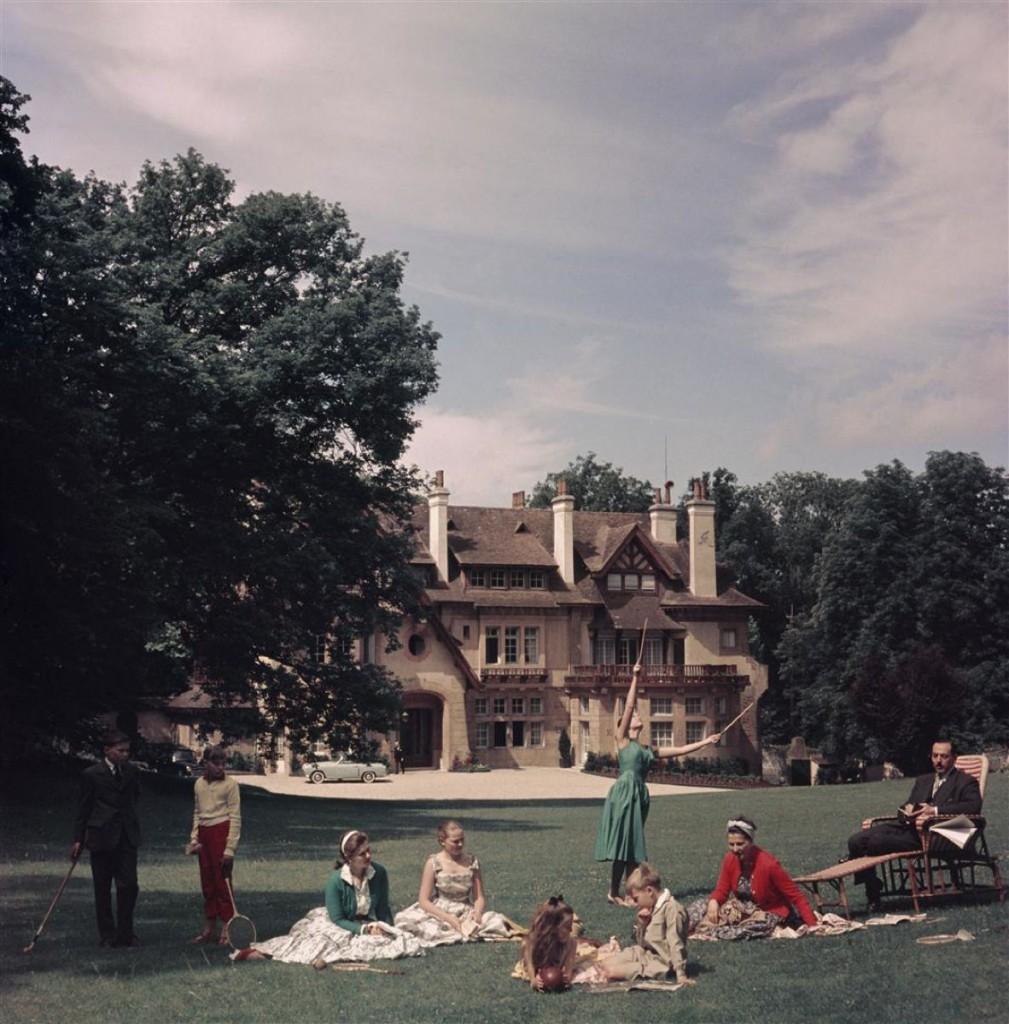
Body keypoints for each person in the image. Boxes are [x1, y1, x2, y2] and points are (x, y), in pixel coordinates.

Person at [594, 665, 720, 903]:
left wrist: (707, 740)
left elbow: (680, 749)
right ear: (627, 723)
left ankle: (630, 893)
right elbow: (630, 705)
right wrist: (634, 677)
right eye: (634, 717)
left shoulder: (647, 750)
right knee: (622, 844)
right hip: (623, 794)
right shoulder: (622, 741)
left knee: (632, 846)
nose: (638, 716)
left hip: (638, 796)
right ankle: (613, 892)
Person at [237, 829, 422, 964]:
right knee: (323, 945)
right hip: (337, 922)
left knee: (393, 943)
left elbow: (382, 908)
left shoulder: (379, 873)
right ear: (348, 858)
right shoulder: (336, 881)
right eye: (362, 853)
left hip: (365, 922)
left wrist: (388, 928)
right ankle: (260, 953)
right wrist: (363, 931)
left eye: (369, 850)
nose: (368, 856)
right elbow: (338, 918)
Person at [845, 739, 982, 908]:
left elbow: (973, 806)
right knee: (856, 841)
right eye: (935, 756)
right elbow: (906, 806)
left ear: (954, 758)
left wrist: (934, 810)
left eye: (944, 756)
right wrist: (908, 812)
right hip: (908, 827)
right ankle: (872, 882)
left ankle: (872, 893)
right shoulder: (923, 780)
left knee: (876, 842)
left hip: (934, 834)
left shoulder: (965, 781)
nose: (938, 760)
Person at [687, 816, 816, 940]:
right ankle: (678, 927)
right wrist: (714, 901)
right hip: (742, 908)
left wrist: (813, 925)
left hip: (769, 911)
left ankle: (707, 930)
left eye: (740, 844)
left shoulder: (769, 864)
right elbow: (722, 890)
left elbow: (796, 896)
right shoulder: (730, 859)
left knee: (749, 929)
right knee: (700, 905)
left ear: (751, 841)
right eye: (731, 844)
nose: (735, 849)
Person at [71, 730, 142, 947]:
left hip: (126, 837)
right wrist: (78, 839)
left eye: (127, 751)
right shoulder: (91, 775)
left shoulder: (131, 772)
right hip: (101, 837)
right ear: (107, 750)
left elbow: (134, 798)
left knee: (129, 885)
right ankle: (107, 934)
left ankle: (126, 933)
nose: (125, 755)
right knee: (102, 887)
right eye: (120, 751)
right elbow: (84, 809)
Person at [394, 820, 515, 945]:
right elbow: (424, 901)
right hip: (440, 910)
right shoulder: (434, 862)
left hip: (465, 910)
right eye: (455, 841)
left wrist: (477, 913)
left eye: (462, 840)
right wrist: (448, 918)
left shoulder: (472, 862)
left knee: (496, 921)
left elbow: (479, 897)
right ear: (442, 841)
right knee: (407, 922)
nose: (460, 844)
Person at [597, 863, 691, 985]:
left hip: (661, 962)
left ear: (649, 891)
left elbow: (675, 942)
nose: (637, 904)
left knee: (612, 972)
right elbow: (641, 943)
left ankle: (619, 971)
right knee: (604, 964)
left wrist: (680, 973)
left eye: (636, 899)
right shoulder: (653, 906)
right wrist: (642, 924)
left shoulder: (672, 909)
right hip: (644, 953)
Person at [185, 745, 242, 944]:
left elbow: (235, 817)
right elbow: (197, 812)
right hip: (204, 834)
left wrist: (229, 849)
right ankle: (209, 926)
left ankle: (228, 924)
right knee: (207, 882)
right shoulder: (199, 784)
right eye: (215, 764)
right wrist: (194, 839)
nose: (220, 768)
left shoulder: (231, 785)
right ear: (205, 763)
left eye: (223, 764)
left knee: (222, 881)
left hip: (221, 832)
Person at [522, 896, 578, 991]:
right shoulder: (531, 941)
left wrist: (566, 979)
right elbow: (529, 966)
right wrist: (534, 980)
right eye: (566, 927)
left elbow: (568, 972)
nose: (570, 930)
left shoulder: (571, 943)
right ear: (553, 926)